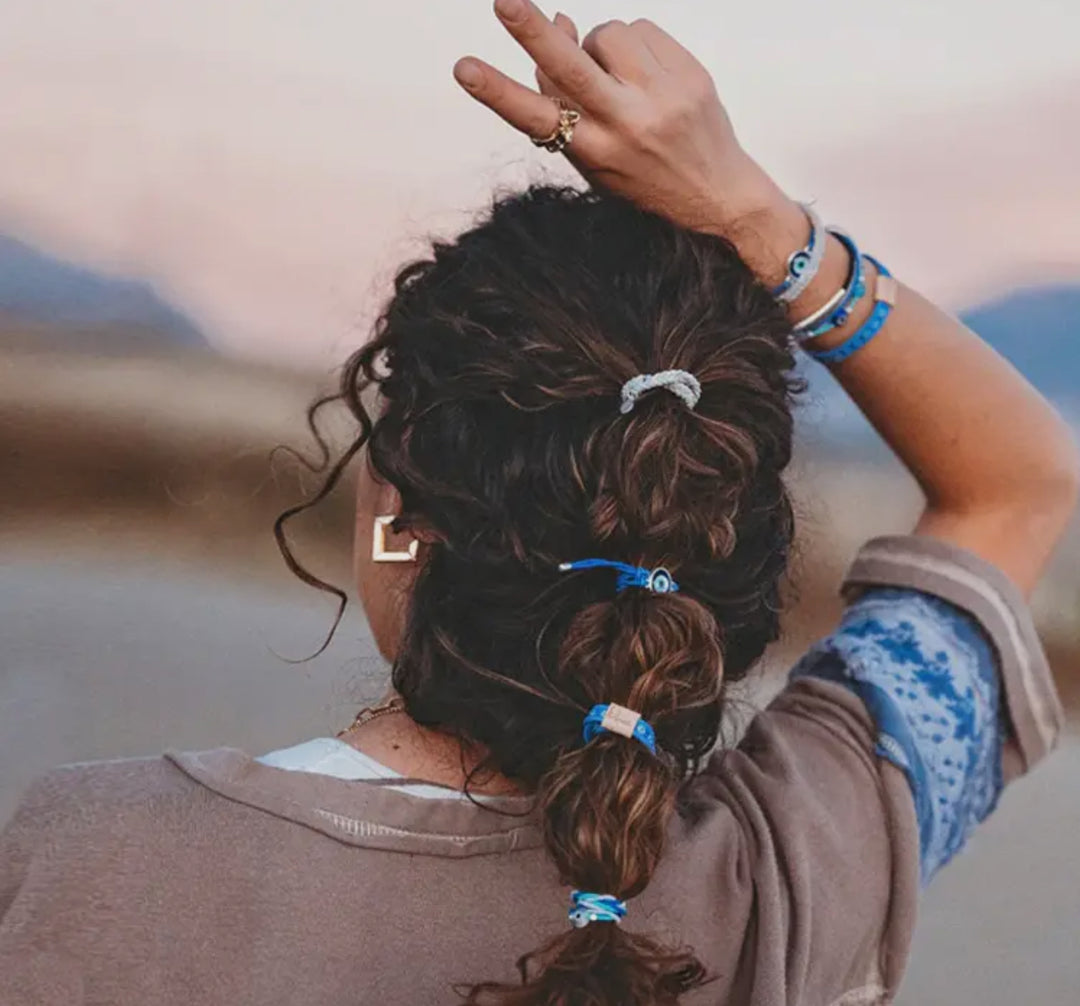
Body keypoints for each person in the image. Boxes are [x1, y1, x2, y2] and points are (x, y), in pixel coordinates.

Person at [1, 3, 1076, 1005]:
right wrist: (763, 223)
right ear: (710, 547)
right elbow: (1017, 482)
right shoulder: (802, 862)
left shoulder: (92, 855)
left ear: (399, 500)